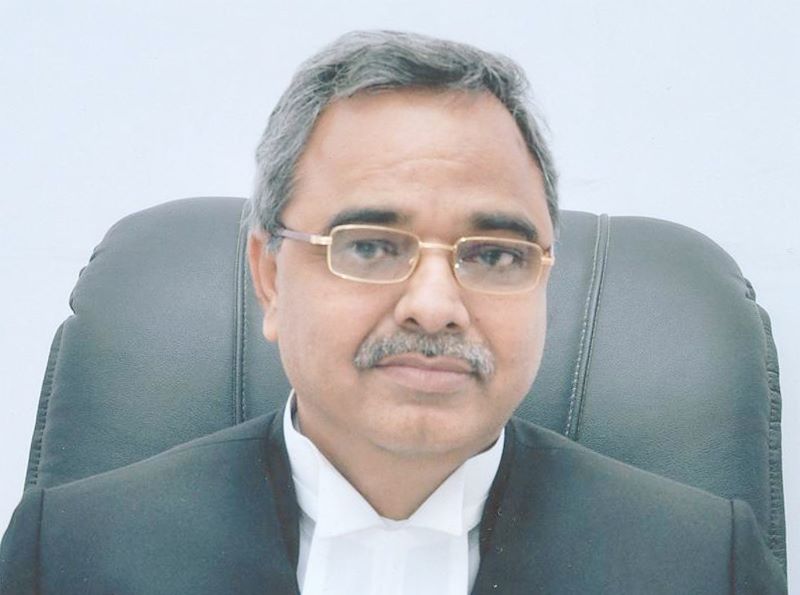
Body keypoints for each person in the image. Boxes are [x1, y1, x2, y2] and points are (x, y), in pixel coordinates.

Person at [0, 30, 786, 595]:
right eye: (372, 246)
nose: (436, 307)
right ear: (269, 278)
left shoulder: (700, 563)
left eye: (494, 256)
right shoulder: (68, 551)